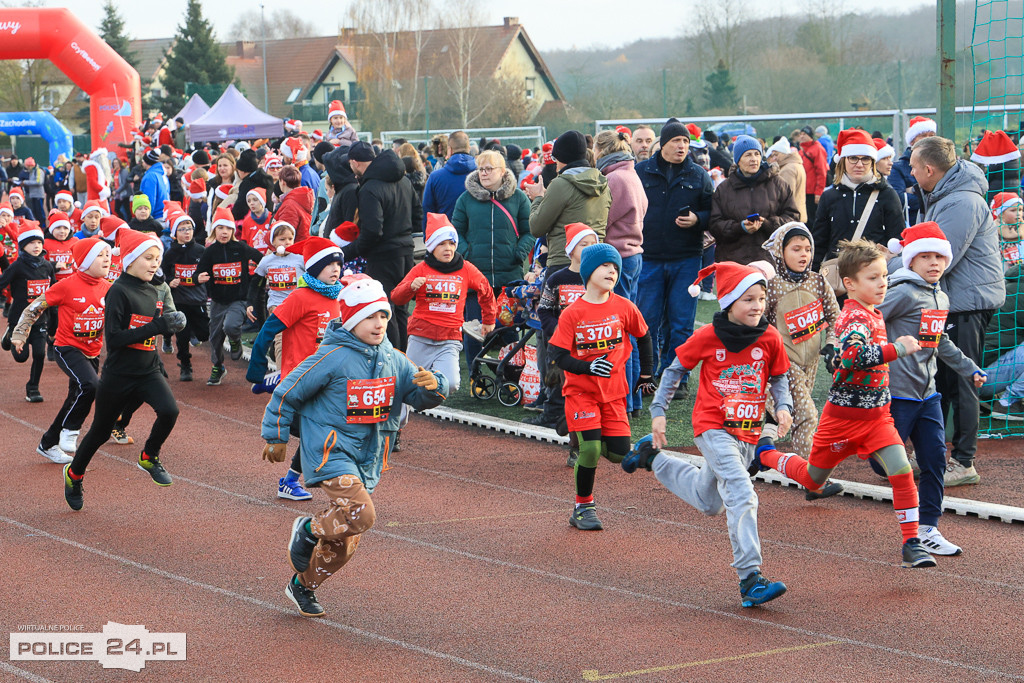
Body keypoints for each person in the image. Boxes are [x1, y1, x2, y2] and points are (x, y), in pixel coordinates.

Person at [262, 273, 448, 617]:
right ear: (350, 320)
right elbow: (288, 391)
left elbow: (419, 396)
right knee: (363, 515)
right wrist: (276, 437)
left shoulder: (394, 359)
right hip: (331, 452)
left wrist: (436, 385)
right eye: (369, 317)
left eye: (383, 316)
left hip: (370, 457)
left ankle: (302, 586)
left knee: (345, 543)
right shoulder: (332, 356)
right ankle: (307, 528)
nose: (378, 324)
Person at [754, 239, 937, 569]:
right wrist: (897, 349)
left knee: (902, 471)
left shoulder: (874, 313)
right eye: (873, 278)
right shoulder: (855, 318)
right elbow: (851, 358)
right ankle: (766, 452)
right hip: (841, 419)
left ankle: (912, 543)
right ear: (850, 284)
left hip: (878, 418)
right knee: (812, 479)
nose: (882, 284)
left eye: (884, 277)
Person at [624, 261, 794, 607]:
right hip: (712, 427)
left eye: (761, 299)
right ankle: (750, 578)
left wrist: (784, 406)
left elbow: (779, 377)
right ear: (728, 302)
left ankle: (652, 458)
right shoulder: (708, 336)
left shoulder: (770, 337)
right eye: (748, 299)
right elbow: (673, 371)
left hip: (747, 431)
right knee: (742, 492)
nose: (757, 306)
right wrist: (658, 413)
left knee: (709, 502)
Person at [880, 222, 987, 556]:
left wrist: (969, 368)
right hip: (896, 394)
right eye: (924, 256)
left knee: (934, 460)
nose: (934, 262)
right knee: (882, 461)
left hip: (928, 395)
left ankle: (928, 528)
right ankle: (864, 445)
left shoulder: (940, 294)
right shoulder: (901, 291)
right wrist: (877, 354)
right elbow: (869, 321)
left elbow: (939, 340)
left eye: (939, 256)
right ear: (910, 260)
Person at [61, 229, 187, 511]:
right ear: (130, 260)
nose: (155, 264)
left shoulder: (156, 289)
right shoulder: (118, 290)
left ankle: (149, 456)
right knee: (100, 432)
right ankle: (74, 474)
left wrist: (166, 330)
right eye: (148, 258)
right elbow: (115, 339)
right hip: (118, 375)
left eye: (157, 258)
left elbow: (151, 333)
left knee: (170, 411)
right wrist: (158, 326)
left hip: (148, 371)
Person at [910, 135, 1005, 486]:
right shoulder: (947, 195)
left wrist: (894, 262)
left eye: (916, 167)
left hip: (967, 304)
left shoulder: (962, 201)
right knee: (943, 380)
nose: (912, 173)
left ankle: (964, 461)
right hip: (952, 301)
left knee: (963, 380)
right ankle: (934, 453)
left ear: (930, 169)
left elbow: (939, 257)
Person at [548, 243, 653, 531]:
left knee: (620, 454)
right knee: (591, 450)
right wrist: (587, 367)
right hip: (581, 392)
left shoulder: (624, 306)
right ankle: (583, 506)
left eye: (616, 267)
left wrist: (646, 375)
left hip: (614, 394)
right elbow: (557, 354)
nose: (612, 271)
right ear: (587, 271)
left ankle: (574, 428)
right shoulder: (573, 313)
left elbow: (644, 338)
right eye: (605, 266)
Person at [248, 236, 346, 502]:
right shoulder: (300, 297)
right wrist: (256, 367)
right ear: (314, 268)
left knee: (324, 432)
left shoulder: (340, 296)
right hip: (300, 376)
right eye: (329, 264)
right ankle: (272, 381)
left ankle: (290, 481)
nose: (336, 269)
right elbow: (269, 329)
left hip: (328, 378)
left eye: (339, 263)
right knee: (319, 433)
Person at [9, 237, 110, 463]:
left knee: (76, 397)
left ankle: (47, 443)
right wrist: (19, 333)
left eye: (108, 254)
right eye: (101, 255)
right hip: (67, 347)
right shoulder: (67, 285)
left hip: (92, 351)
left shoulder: (109, 288)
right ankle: (70, 431)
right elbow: (35, 307)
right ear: (86, 260)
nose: (107, 259)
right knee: (91, 386)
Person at [762, 223, 841, 459]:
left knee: (787, 415)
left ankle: (760, 449)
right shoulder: (772, 286)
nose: (804, 254)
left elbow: (836, 317)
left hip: (811, 363)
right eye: (796, 249)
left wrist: (833, 344)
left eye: (807, 249)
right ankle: (811, 473)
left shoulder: (818, 282)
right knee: (807, 414)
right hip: (785, 364)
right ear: (780, 251)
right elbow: (759, 325)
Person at [451, 148, 534, 365]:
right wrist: (466, 252)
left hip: (509, 276)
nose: (484, 173)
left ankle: (515, 374)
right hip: (476, 277)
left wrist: (519, 252)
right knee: (474, 329)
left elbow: (530, 230)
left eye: (489, 168)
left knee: (509, 329)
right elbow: (455, 231)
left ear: (502, 171)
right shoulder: (465, 199)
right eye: (481, 169)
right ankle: (475, 376)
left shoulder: (519, 198)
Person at [341, 141, 421, 351]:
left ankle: (394, 361)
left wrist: (346, 252)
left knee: (386, 309)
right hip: (406, 251)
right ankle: (403, 360)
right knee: (401, 310)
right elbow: (417, 215)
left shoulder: (370, 188)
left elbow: (372, 232)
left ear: (355, 163)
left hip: (383, 256)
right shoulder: (403, 180)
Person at [535, 223, 599, 458]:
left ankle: (568, 422)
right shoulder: (556, 277)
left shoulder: (599, 276)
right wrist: (560, 334)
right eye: (584, 245)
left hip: (593, 347)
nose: (590, 249)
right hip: (566, 350)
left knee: (590, 396)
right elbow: (544, 310)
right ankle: (576, 447)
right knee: (575, 395)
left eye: (594, 244)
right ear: (571, 249)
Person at [595, 129, 648, 413]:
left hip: (618, 256)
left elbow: (604, 217)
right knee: (630, 328)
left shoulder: (613, 178)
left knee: (619, 333)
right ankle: (634, 399)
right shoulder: (632, 173)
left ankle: (625, 400)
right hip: (633, 255)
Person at [811, 129, 904, 270]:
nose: (859, 164)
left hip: (875, 273)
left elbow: (898, 240)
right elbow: (819, 241)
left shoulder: (887, 194)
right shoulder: (829, 196)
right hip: (838, 274)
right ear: (843, 160)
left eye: (865, 159)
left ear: (872, 161)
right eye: (853, 158)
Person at [196, 207, 265, 386]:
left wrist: (269, 266)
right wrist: (198, 277)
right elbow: (199, 272)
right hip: (218, 301)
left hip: (238, 299)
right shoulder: (210, 252)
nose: (224, 232)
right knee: (215, 337)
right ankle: (218, 366)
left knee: (231, 325)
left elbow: (262, 259)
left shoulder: (240, 247)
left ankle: (235, 340)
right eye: (220, 228)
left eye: (227, 228)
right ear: (214, 231)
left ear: (233, 231)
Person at [526, 130, 610, 273]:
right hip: (595, 262)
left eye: (555, 158)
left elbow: (536, 227)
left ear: (562, 158)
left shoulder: (561, 184)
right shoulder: (603, 183)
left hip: (564, 262)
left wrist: (538, 198)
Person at [709, 135, 800, 264]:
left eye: (757, 154)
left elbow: (793, 218)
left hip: (770, 261)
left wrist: (768, 224)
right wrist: (739, 227)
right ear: (738, 160)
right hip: (734, 261)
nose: (754, 159)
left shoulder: (778, 184)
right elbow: (714, 225)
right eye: (748, 155)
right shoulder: (724, 189)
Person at [0, 224, 56, 402]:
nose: (36, 246)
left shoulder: (47, 266)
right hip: (19, 320)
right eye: (31, 242)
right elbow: (2, 282)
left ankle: (33, 388)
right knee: (21, 357)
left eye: (39, 242)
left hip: (40, 320)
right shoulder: (17, 266)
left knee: (39, 354)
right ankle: (9, 335)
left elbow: (54, 291)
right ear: (23, 245)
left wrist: (55, 322)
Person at [162, 210, 209, 382]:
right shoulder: (170, 254)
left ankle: (193, 333)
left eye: (189, 228)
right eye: (182, 229)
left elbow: (208, 271)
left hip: (198, 299)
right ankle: (185, 364)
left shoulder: (200, 251)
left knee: (204, 334)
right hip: (179, 300)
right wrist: (169, 281)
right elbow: (162, 274)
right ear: (175, 234)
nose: (187, 232)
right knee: (182, 335)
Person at [422, 131, 476, 226]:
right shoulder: (483, 175)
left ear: (449, 150)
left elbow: (428, 211)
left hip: (446, 236)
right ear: (469, 149)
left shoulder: (435, 177)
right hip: (474, 236)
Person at [890, 116, 936, 225]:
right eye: (923, 136)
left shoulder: (941, 164)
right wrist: (930, 196)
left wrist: (913, 190)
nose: (928, 139)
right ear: (912, 141)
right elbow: (898, 199)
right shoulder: (898, 168)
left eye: (932, 136)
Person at [969, 129, 1022, 201]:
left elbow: (989, 176)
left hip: (997, 191)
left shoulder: (997, 159)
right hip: (1015, 190)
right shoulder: (1015, 158)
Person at [766, 137, 807, 222]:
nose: (774, 158)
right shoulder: (796, 165)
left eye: (776, 155)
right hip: (799, 213)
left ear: (784, 153)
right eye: (773, 155)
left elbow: (785, 197)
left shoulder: (787, 170)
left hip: (792, 217)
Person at [232, 149, 276, 223]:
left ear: (242, 170)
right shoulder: (267, 178)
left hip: (255, 222)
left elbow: (240, 209)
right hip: (270, 219)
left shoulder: (248, 183)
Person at [796, 126, 828, 227]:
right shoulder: (801, 150)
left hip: (812, 192)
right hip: (803, 191)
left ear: (811, 136)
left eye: (804, 134)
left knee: (812, 219)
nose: (802, 136)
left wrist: (818, 192)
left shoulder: (817, 149)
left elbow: (822, 172)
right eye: (800, 134)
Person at [273, 165, 314, 243]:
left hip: (295, 249)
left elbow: (283, 237)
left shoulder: (289, 205)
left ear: (282, 182)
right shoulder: (305, 198)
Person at [991, 192, 1023, 268]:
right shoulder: (993, 231)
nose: (1018, 213)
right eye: (1013, 210)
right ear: (1000, 214)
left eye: (1020, 210)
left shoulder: (1022, 228)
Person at [138, 149, 169, 222]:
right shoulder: (162, 174)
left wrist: (147, 218)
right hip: (164, 214)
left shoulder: (150, 176)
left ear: (147, 162)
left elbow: (150, 198)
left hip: (156, 217)